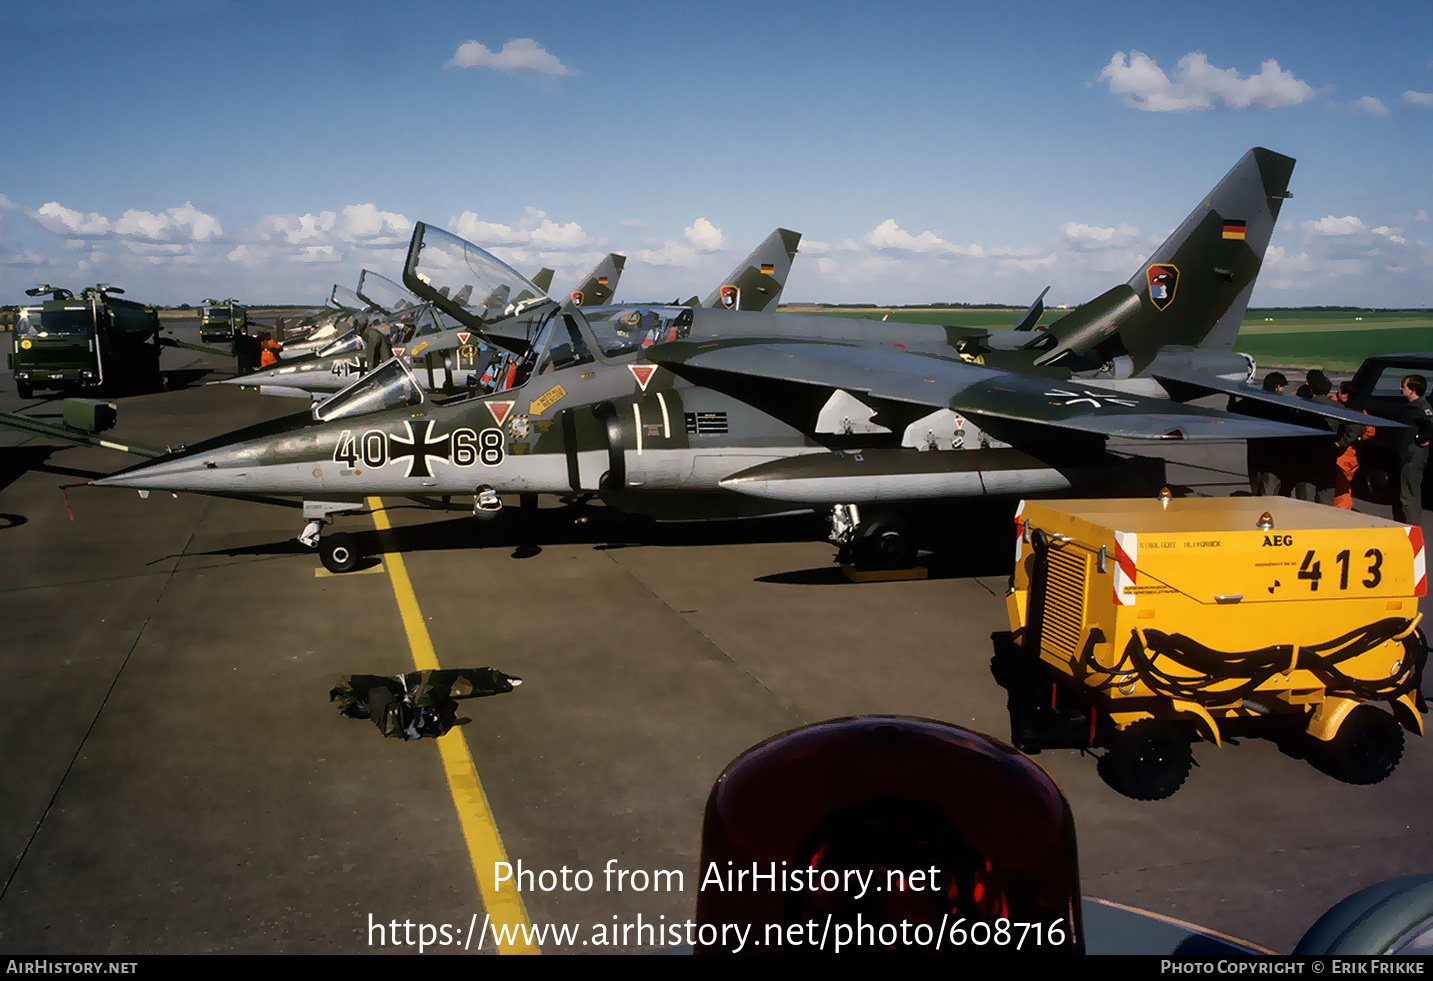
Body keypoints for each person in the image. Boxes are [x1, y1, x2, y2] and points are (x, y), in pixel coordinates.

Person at [1241, 371, 1290, 495]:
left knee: (1256, 484)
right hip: (1274, 453)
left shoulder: (1253, 400)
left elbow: (1233, 408)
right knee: (1269, 487)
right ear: (1278, 387)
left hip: (1255, 448)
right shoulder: (1281, 404)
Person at [1394, 375, 1433, 525]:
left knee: (1409, 498)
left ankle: (1413, 531)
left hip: (1411, 459)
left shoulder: (1421, 407)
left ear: (1413, 389)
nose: (1400, 388)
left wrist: (1422, 438)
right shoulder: (1410, 406)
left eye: (1403, 386)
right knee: (1404, 496)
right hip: (1405, 457)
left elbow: (1429, 426)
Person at [1333, 381, 1375, 510]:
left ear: (1345, 395)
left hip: (1342, 457)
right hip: (1352, 456)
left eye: (1339, 391)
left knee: (1340, 490)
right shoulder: (1361, 411)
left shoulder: (1345, 412)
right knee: (1344, 487)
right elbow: (1371, 431)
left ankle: (1342, 512)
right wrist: (1360, 438)